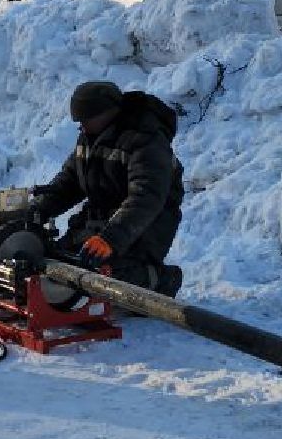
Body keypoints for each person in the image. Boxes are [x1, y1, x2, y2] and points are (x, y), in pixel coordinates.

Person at [30, 81, 184, 297]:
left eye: (86, 120)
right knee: (59, 259)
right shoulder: (90, 137)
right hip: (101, 219)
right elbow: (67, 184)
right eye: (79, 122)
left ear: (109, 113)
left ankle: (161, 280)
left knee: (105, 277)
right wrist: (32, 214)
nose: (81, 127)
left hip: (144, 225)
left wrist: (111, 239)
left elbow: (145, 198)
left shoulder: (147, 140)